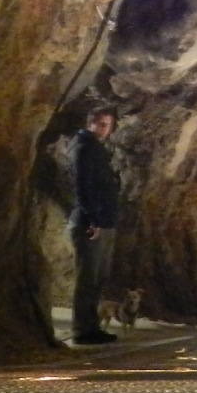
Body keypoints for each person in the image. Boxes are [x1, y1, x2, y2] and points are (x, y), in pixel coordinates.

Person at [69, 106, 122, 344]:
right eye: (99, 124)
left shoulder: (96, 148)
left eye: (107, 125)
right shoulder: (84, 148)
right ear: (89, 123)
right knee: (88, 278)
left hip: (104, 221)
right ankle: (83, 329)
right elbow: (83, 186)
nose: (103, 129)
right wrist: (93, 219)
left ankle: (92, 326)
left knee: (98, 277)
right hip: (92, 223)